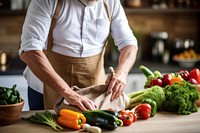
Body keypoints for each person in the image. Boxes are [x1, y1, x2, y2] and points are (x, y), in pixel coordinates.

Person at [19, 0, 138, 111]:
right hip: (45, 90)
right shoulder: (46, 1)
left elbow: (128, 43)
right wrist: (68, 93)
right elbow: (30, 51)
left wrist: (121, 73)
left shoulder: (111, 2)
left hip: (93, 91)